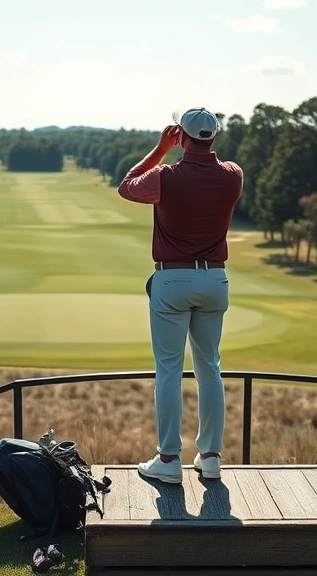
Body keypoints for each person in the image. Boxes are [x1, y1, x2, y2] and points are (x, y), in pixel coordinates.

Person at [117, 107, 243, 483]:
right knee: (210, 369)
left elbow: (127, 185)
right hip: (215, 280)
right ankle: (211, 456)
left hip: (172, 281)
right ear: (214, 137)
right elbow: (210, 170)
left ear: (182, 136)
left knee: (169, 369)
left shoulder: (165, 176)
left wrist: (160, 149)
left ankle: (169, 459)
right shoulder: (233, 175)